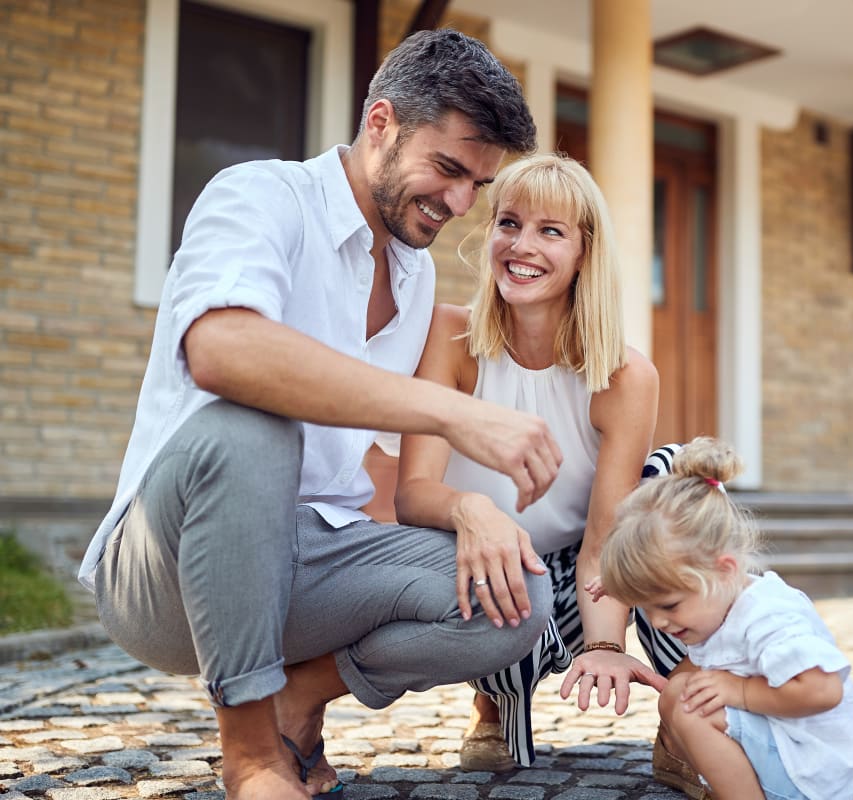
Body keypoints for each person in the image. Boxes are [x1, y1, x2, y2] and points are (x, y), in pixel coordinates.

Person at [77, 29, 564, 800]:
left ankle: (294, 704)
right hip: (168, 571)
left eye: (479, 183)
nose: (463, 204)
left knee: (516, 598)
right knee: (255, 420)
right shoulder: (260, 196)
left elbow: (365, 469)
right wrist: (452, 414)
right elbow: (222, 350)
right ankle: (251, 759)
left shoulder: (411, 275)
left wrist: (468, 509)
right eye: (447, 169)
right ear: (381, 123)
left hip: (307, 564)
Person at [394, 153, 687, 771]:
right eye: (508, 223)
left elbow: (606, 538)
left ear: (585, 253)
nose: (521, 245)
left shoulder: (625, 376)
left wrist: (607, 642)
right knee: (508, 571)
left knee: (672, 490)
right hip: (488, 567)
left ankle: (684, 714)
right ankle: (495, 707)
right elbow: (414, 494)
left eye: (550, 231)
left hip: (585, 574)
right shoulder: (449, 337)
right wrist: (469, 509)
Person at [593, 437, 853, 800]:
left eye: (669, 605)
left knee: (692, 709)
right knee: (676, 694)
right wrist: (626, 583)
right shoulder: (718, 600)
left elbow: (823, 689)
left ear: (725, 569)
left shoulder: (768, 615)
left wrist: (738, 691)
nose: (658, 622)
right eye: (645, 607)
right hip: (784, 745)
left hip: (809, 771)